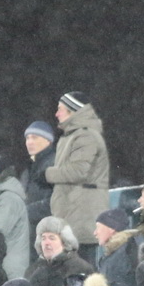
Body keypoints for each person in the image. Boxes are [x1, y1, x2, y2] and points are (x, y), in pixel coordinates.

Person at [46, 92, 111, 255]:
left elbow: (78, 171)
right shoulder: (71, 136)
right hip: (72, 213)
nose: (56, 114)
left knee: (81, 265)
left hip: (81, 216)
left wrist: (47, 174)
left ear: (73, 111)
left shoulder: (86, 136)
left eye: (60, 109)